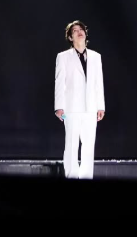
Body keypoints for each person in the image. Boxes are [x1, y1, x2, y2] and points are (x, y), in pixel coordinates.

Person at [54, 20, 105, 179]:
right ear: (70, 37)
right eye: (75, 30)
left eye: (81, 29)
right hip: (71, 107)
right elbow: (59, 82)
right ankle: (71, 176)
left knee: (88, 146)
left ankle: (86, 177)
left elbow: (98, 83)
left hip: (90, 107)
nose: (79, 32)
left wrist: (100, 106)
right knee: (71, 144)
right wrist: (59, 106)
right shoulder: (63, 57)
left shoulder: (96, 56)